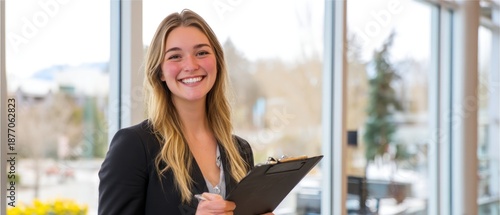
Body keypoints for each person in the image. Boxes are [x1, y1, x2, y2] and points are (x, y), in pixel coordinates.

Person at [98, 9, 273, 215]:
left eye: (201, 53)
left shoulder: (240, 151)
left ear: (216, 62)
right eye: (175, 56)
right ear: (160, 72)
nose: (191, 65)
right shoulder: (134, 146)